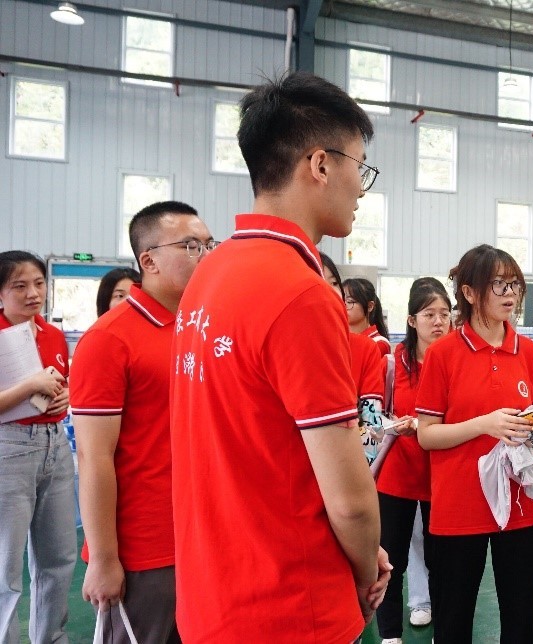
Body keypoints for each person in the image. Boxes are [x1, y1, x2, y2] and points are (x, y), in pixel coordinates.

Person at [169, 71, 390, 642]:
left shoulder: (209, 275)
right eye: (360, 166)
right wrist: (365, 570)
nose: (361, 188)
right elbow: (350, 500)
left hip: (212, 598)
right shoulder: (301, 293)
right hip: (290, 604)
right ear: (320, 165)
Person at [71, 201, 215, 643]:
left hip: (204, 536)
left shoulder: (201, 328)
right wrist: (104, 558)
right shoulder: (109, 340)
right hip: (146, 550)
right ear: (148, 261)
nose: (205, 255)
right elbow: (94, 457)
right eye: (190, 246)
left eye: (209, 245)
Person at [416, 244, 533, 643]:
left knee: (522, 617)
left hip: (522, 503)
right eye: (498, 284)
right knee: (453, 618)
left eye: (515, 284)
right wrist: (483, 425)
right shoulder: (443, 354)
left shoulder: (530, 353)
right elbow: (427, 434)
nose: (510, 294)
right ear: (470, 292)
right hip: (460, 504)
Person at [0, 251, 75, 644]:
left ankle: (51, 638)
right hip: (8, 448)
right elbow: (32, 388)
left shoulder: (52, 333)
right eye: (20, 286)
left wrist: (64, 397)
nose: (33, 293)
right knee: (6, 567)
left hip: (55, 445)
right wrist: (30, 386)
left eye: (39, 283)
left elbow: (60, 383)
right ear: (1, 293)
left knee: (58, 559)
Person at [375, 278, 452, 644]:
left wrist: (428, 426)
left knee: (442, 561)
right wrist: (397, 424)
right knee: (391, 558)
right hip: (397, 476)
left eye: (444, 314)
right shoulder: (392, 364)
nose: (438, 322)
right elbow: (372, 415)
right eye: (429, 314)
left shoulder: (455, 362)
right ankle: (390, 634)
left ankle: (443, 628)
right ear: (411, 320)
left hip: (442, 477)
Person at [321, 254, 387, 466]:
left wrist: (357, 469)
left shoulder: (367, 347)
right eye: (317, 280)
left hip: (346, 465)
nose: (329, 290)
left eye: (334, 283)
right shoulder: (285, 345)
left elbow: (372, 425)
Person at [344, 277, 391, 356]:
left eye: (350, 301)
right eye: (340, 300)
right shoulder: (341, 339)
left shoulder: (378, 343)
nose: (343, 305)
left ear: (370, 306)